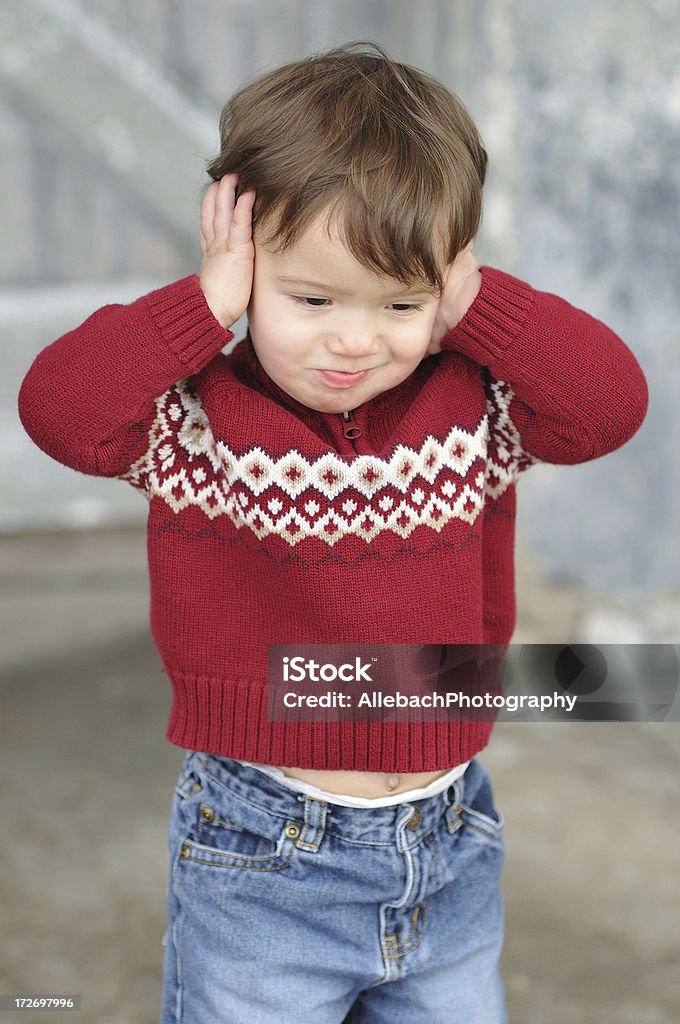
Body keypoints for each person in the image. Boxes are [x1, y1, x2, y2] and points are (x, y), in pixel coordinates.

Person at [18, 41, 648, 1024]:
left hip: (446, 839)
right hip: (266, 850)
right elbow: (58, 409)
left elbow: (609, 404)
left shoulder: (474, 411)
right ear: (248, 264)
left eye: (398, 305)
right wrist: (204, 305)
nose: (354, 341)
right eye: (310, 300)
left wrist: (476, 299)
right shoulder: (192, 423)